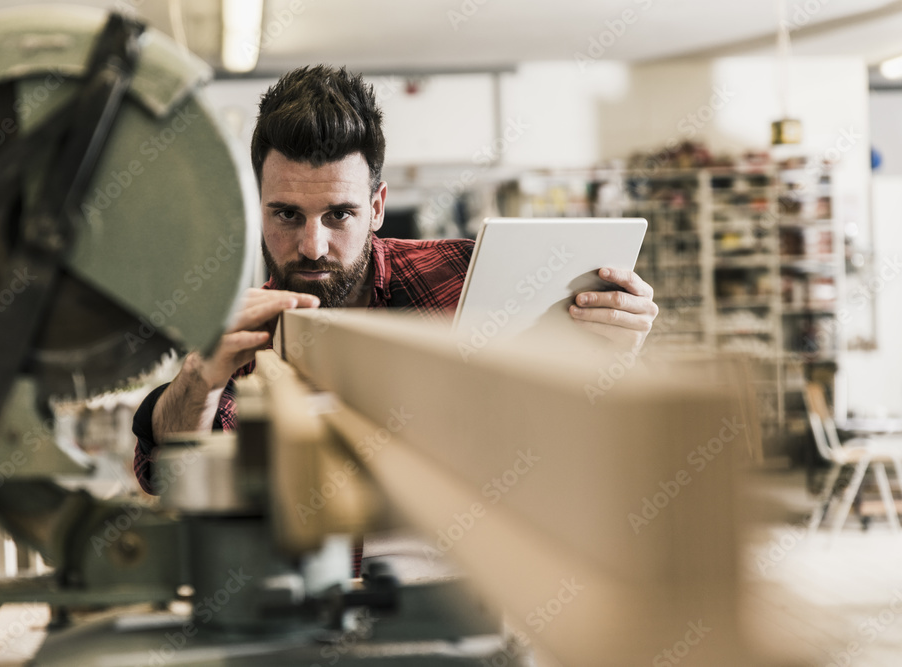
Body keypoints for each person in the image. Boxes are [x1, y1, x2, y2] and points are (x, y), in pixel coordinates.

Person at [132, 65, 658, 495]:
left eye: (339, 214)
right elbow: (166, 475)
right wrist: (200, 377)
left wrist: (614, 351)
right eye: (287, 215)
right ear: (257, 212)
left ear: (378, 207)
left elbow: (573, 428)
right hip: (305, 611)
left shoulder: (462, 277)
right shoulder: (240, 339)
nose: (313, 247)